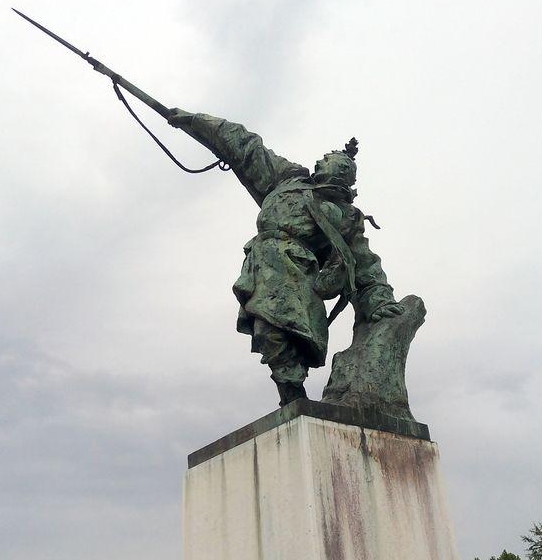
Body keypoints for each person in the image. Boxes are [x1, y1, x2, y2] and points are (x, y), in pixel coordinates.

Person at [167, 110, 404, 405]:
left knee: (280, 332)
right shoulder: (288, 178)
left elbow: (365, 263)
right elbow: (247, 146)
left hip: (298, 271)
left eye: (339, 166)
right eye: (327, 160)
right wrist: (193, 121)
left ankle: (292, 394)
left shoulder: (346, 215)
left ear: (348, 179)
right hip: (264, 262)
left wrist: (380, 301)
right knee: (267, 330)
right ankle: (291, 395)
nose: (324, 164)